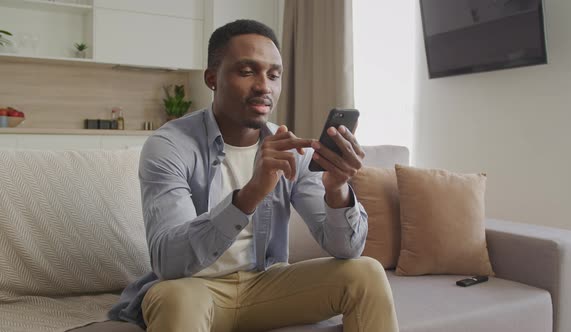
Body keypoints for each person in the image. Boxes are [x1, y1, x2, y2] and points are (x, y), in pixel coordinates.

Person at [109, 19, 398, 332]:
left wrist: (337, 189)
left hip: (265, 285)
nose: (264, 86)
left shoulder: (291, 150)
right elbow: (169, 263)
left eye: (274, 75)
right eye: (247, 71)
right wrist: (251, 193)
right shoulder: (170, 146)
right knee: (178, 298)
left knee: (365, 273)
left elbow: (346, 250)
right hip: (193, 288)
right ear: (212, 78)